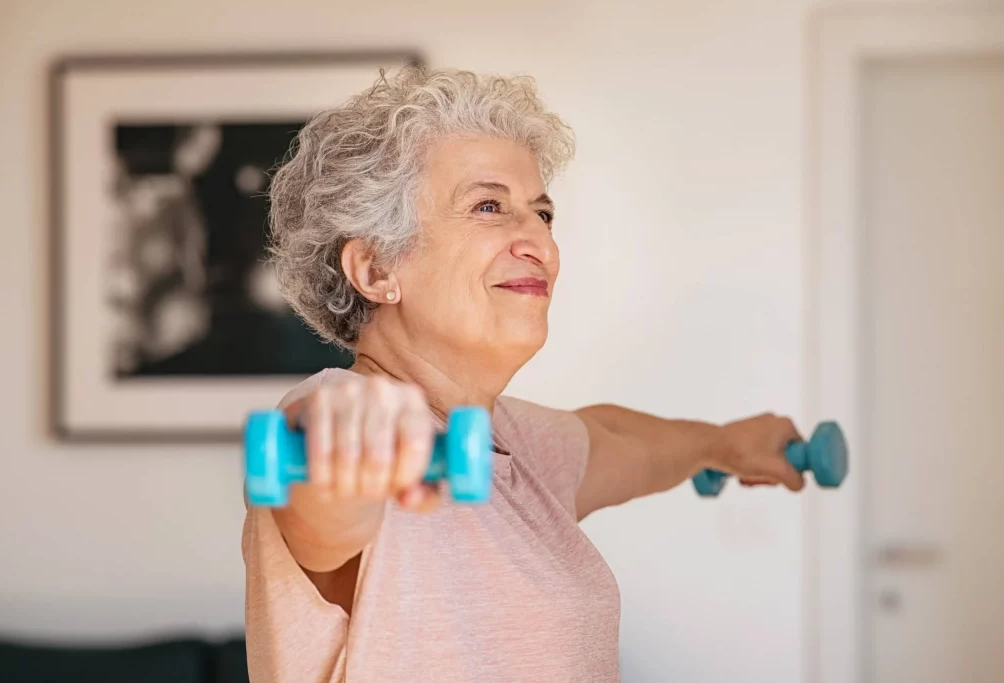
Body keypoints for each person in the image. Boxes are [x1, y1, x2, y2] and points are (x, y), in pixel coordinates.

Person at [242, 65, 806, 683]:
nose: (539, 240)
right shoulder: (343, 409)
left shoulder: (513, 444)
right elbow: (321, 492)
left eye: (543, 213)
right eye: (489, 207)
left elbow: (617, 438)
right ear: (376, 270)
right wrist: (347, 463)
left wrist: (730, 446)